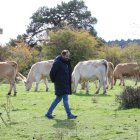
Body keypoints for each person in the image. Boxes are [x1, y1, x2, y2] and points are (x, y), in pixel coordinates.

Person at [45, 50, 77, 119]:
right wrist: (55, 81)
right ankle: (69, 114)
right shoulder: (57, 63)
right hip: (60, 84)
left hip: (65, 83)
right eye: (66, 56)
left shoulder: (67, 62)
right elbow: (52, 73)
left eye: (68, 56)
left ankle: (48, 113)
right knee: (65, 99)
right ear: (62, 55)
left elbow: (68, 72)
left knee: (58, 99)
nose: (68, 57)